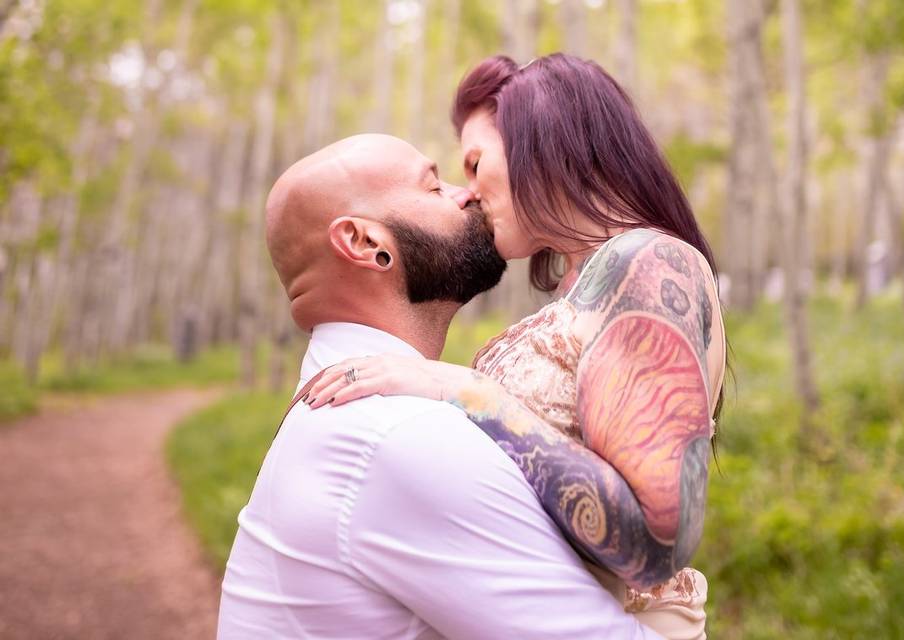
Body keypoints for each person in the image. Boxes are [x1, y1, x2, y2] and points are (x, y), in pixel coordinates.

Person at [304, 54, 727, 640]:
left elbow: (655, 546)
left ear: (541, 139)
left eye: (476, 163)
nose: (470, 193)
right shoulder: (584, 285)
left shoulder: (649, 264)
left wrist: (464, 391)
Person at [216, 133, 663, 639]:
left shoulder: (357, 412)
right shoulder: (396, 432)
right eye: (433, 187)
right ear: (366, 244)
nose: (466, 193)